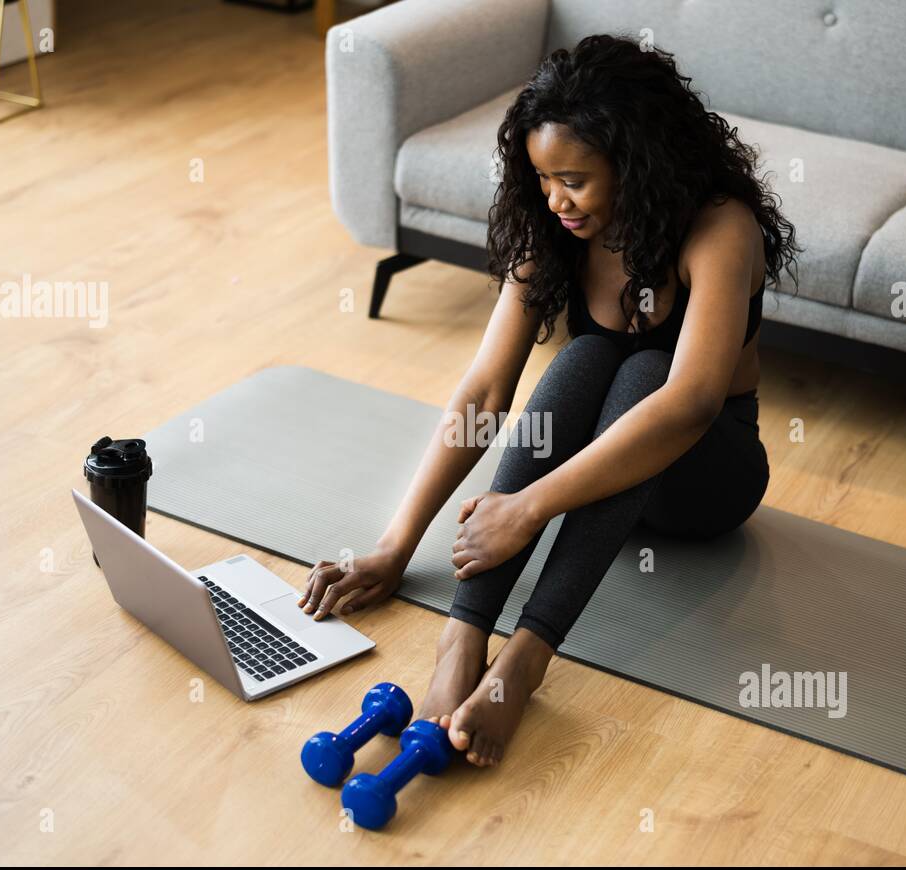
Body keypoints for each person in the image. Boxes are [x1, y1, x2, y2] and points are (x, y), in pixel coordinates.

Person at [298, 34, 800, 767]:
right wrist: (395, 546)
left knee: (643, 373)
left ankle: (524, 663)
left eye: (575, 180)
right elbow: (486, 389)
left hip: (703, 481)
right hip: (602, 492)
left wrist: (528, 508)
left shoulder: (720, 227)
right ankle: (462, 640)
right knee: (590, 354)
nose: (555, 199)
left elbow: (691, 403)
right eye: (541, 178)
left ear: (638, 162)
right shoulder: (555, 228)